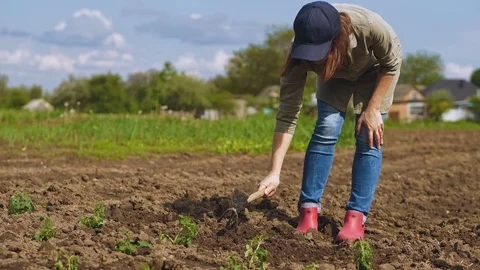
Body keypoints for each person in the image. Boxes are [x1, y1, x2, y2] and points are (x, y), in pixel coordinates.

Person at [257, 1, 402, 242]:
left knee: (369, 135)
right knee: (327, 126)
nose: (312, 59)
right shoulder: (301, 50)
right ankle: (308, 212)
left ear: (336, 38)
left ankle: (356, 218)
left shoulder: (370, 27)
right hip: (334, 71)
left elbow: (391, 62)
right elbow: (287, 113)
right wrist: (274, 172)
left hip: (376, 70)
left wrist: (373, 108)